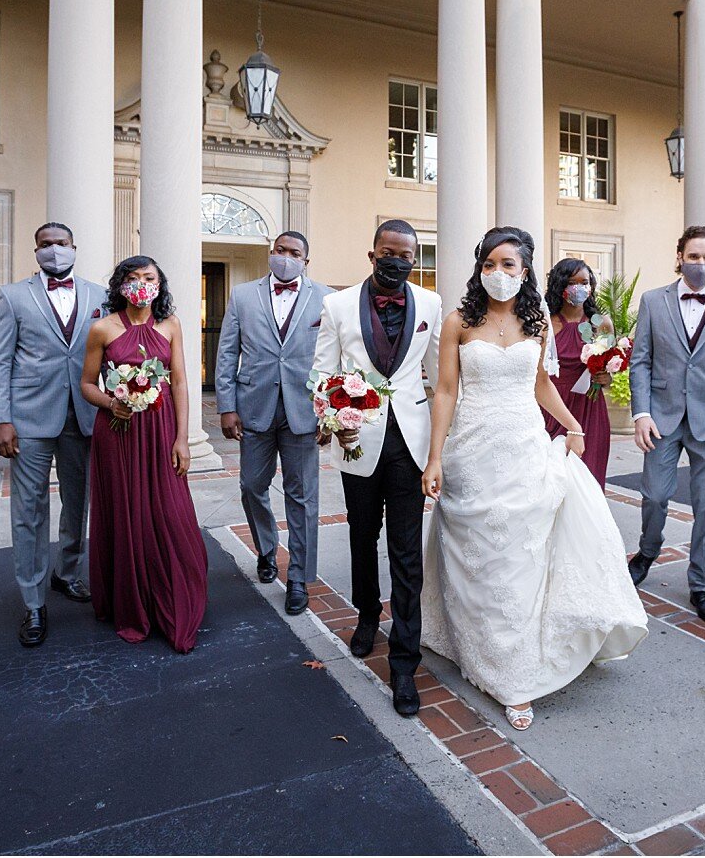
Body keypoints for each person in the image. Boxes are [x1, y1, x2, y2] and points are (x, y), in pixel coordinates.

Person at [421, 228, 647, 732]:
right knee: (477, 559)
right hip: (472, 453)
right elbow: (445, 392)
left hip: (524, 449)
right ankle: (475, 648)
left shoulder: (537, 319)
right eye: (491, 264)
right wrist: (434, 458)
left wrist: (571, 424)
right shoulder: (458, 321)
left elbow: (541, 383)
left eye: (510, 265)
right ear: (480, 268)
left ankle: (515, 671)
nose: (499, 274)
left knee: (520, 559)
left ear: (525, 272)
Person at [312, 219, 442, 716]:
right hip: (356, 441)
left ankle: (404, 663)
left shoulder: (430, 304)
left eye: (406, 255)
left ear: (414, 258)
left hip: (411, 441)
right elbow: (323, 373)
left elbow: (438, 376)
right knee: (362, 536)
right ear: (372, 254)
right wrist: (330, 421)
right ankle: (367, 616)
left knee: (407, 553)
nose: (397, 261)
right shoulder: (337, 305)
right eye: (389, 252)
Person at [80, 255, 208, 653]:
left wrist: (182, 438)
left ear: (159, 284)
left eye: (148, 277)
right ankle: (133, 604)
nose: (141, 284)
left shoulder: (170, 325)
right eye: (133, 277)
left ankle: (175, 600)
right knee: (126, 514)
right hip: (118, 432)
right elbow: (86, 383)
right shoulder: (102, 328)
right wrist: (109, 402)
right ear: (120, 284)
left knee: (171, 513)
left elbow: (182, 382)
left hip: (161, 429)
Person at [0, 222, 104, 649]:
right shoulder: (13, 296)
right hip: (30, 419)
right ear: (35, 251)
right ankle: (33, 601)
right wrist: (1, 418)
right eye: (46, 245)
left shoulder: (99, 295)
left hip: (84, 416)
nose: (54, 251)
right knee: (29, 510)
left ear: (75, 247)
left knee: (79, 502)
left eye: (62, 244)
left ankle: (67, 572)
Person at [626, 225, 705, 628]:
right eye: (693, 256)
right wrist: (640, 413)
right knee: (656, 496)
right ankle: (646, 552)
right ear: (679, 256)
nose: (700, 264)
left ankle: (701, 584)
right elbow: (640, 360)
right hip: (661, 416)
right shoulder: (652, 301)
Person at [215, 231, 328, 615]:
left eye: (294, 252)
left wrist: (330, 411)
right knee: (251, 485)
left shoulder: (327, 298)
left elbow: (334, 358)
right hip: (254, 406)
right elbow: (228, 351)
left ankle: (298, 576)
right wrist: (226, 406)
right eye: (280, 250)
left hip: (304, 410)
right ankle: (266, 548)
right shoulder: (243, 296)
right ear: (271, 254)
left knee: (302, 496)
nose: (285, 257)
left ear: (306, 261)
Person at [541, 258, 614, 487]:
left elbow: (607, 367)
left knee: (588, 480)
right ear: (560, 285)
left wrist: (606, 377)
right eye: (573, 282)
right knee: (551, 479)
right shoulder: (546, 324)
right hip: (552, 406)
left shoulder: (602, 324)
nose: (579, 288)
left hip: (589, 407)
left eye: (585, 282)